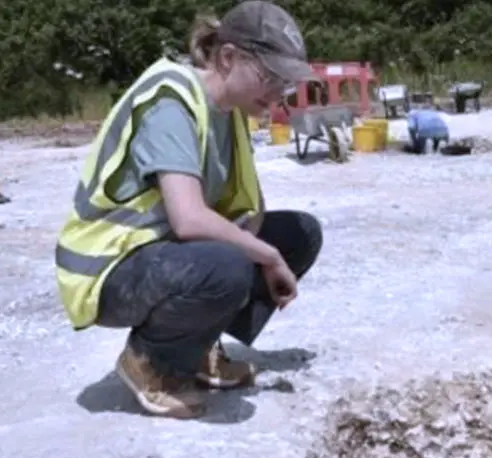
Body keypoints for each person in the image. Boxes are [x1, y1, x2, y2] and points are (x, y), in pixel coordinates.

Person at [54, 0, 324, 420]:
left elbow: (243, 210)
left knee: (299, 235)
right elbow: (189, 218)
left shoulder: (228, 113)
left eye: (285, 82)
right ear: (229, 57)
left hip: (163, 253)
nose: (278, 93)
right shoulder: (173, 101)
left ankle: (198, 349)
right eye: (270, 77)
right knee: (232, 262)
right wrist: (265, 256)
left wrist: (266, 246)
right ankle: (150, 364)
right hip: (107, 269)